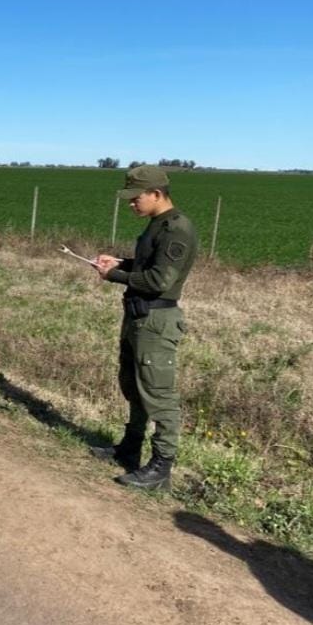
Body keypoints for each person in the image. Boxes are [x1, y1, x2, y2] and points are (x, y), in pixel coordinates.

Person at [91, 165, 198, 491]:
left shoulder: (177, 230)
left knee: (159, 395)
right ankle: (129, 448)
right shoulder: (158, 225)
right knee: (134, 386)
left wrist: (115, 276)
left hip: (156, 321)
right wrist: (121, 263)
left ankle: (160, 468)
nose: (130, 204)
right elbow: (148, 264)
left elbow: (158, 280)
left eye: (135, 198)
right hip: (139, 318)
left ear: (156, 194)